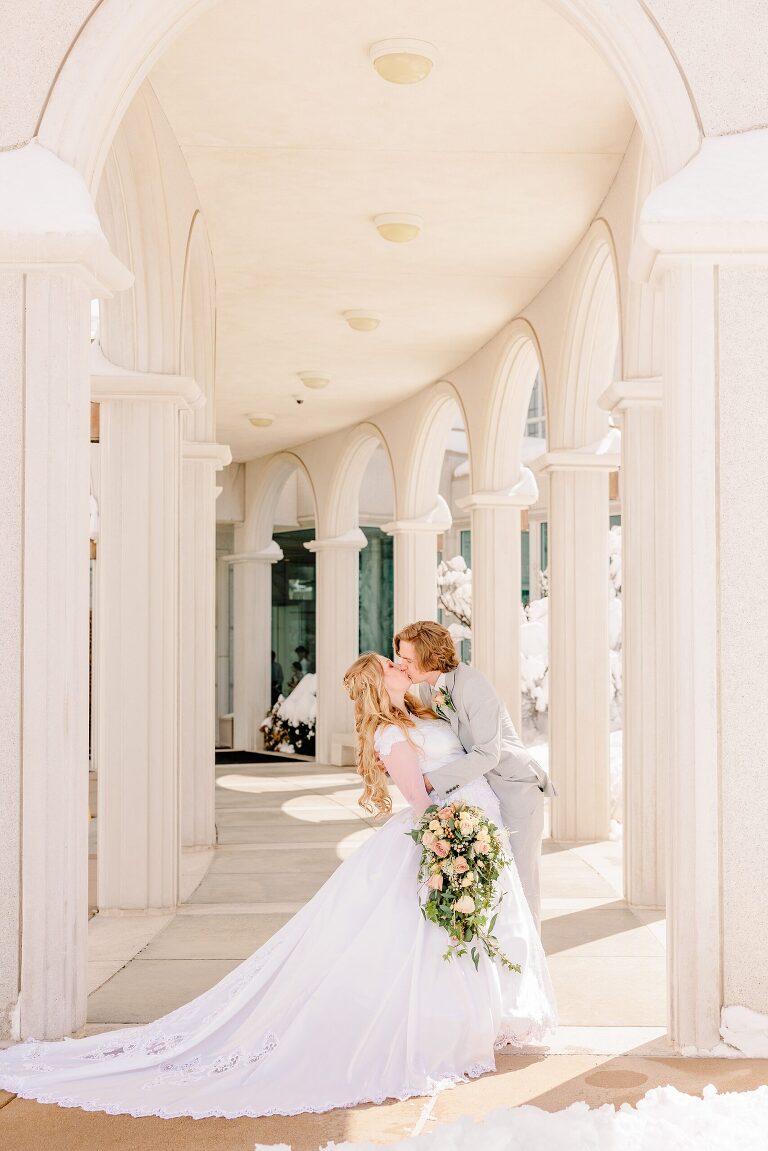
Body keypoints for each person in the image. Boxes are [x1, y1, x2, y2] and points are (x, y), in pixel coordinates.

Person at [0, 652, 556, 1120]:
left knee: (458, 933)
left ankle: (474, 1021)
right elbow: (419, 799)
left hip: (472, 825)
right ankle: (435, 1029)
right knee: (420, 938)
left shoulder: (422, 709)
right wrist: (453, 836)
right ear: (375, 684)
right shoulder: (390, 732)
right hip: (438, 834)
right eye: (389, 663)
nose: (397, 664)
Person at [394, 620, 555, 931]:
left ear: (430, 657)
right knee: (494, 878)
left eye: (408, 660)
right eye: (400, 658)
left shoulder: (472, 685)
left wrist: (430, 782)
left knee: (522, 879)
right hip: (482, 790)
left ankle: (531, 957)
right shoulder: (429, 687)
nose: (402, 666)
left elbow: (487, 753)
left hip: (515, 787)